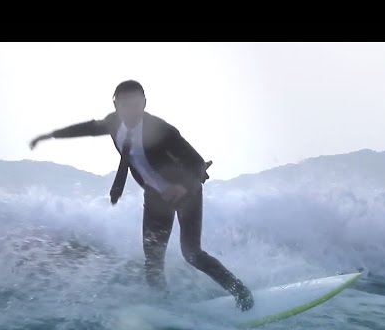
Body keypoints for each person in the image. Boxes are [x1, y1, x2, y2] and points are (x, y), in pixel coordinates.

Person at [29, 80, 254, 311]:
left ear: (144, 103)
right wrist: (49, 135)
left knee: (192, 254)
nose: (131, 111)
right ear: (116, 106)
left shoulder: (162, 130)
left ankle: (241, 293)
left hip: (186, 193)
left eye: (136, 105)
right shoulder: (113, 123)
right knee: (153, 261)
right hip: (155, 197)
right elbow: (87, 128)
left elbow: (197, 163)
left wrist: (182, 187)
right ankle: (165, 308)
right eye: (125, 105)